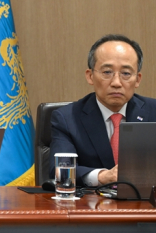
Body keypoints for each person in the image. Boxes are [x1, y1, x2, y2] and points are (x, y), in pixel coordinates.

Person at [49, 34, 156, 187]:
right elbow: (59, 170)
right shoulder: (66, 118)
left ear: (137, 79)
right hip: (92, 206)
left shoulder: (153, 112)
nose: (116, 83)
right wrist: (103, 176)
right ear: (90, 76)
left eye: (126, 73)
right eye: (107, 72)